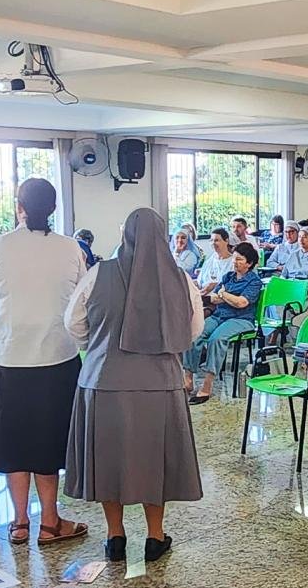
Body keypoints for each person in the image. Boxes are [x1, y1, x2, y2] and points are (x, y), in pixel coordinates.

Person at [63, 208, 203, 563]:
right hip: (161, 385)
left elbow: (73, 322)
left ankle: (115, 536)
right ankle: (155, 536)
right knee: (157, 461)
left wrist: (96, 347)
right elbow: (192, 330)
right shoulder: (181, 278)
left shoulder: (98, 274)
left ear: (125, 235)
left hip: (105, 381)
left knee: (109, 460)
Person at [0, 178, 88, 545]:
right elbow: (80, 297)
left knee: (13, 440)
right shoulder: (71, 248)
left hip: (8, 355)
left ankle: (20, 522)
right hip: (57, 354)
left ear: (18, 207)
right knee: (48, 440)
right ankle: (51, 522)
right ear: (53, 208)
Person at [183, 242, 262, 404]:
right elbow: (216, 298)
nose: (235, 262)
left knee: (216, 339)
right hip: (220, 315)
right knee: (194, 333)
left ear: (249, 263)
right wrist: (198, 297)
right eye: (234, 259)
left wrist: (224, 294)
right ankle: (188, 379)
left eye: (239, 259)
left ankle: (207, 384)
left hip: (241, 319)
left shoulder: (254, 282)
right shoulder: (228, 277)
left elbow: (241, 303)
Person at [196, 228, 234, 294]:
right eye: (211, 240)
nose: (213, 243)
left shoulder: (233, 262)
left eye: (216, 240)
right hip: (202, 295)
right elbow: (199, 282)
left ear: (226, 241)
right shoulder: (209, 260)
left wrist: (215, 286)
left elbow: (231, 285)